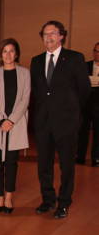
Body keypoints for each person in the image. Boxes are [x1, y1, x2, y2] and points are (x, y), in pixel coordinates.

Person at [31, 20, 90, 219]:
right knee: (44, 165)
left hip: (66, 123)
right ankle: (48, 200)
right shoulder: (36, 61)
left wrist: (73, 116)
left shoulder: (74, 58)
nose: (49, 37)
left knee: (66, 166)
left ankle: (64, 203)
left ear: (62, 36)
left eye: (53, 33)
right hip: (43, 123)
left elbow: (84, 91)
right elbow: (37, 93)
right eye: (45, 34)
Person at [0, 38, 30, 214]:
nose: (8, 54)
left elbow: (25, 99)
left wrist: (11, 120)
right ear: (0, 55)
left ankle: (9, 197)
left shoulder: (25, 73)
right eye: (5, 51)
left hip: (15, 124)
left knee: (11, 163)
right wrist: (0, 120)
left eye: (11, 51)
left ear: (16, 53)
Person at [76, 41, 99, 167]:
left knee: (98, 133)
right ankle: (80, 157)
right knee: (82, 131)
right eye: (96, 51)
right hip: (85, 104)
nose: (98, 54)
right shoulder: (85, 65)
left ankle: (96, 158)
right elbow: (80, 82)